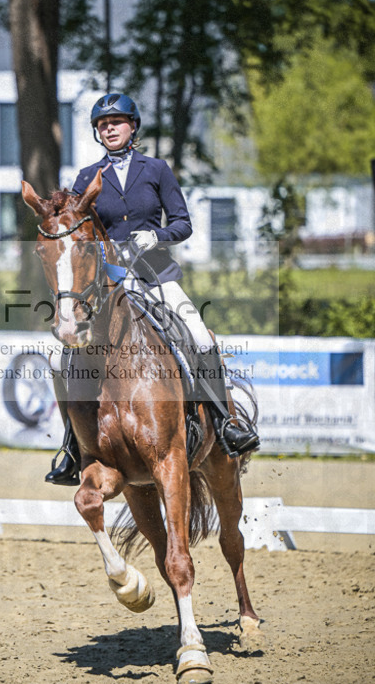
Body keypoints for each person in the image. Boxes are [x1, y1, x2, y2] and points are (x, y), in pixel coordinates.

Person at [46, 92, 260, 484]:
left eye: (116, 122)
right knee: (62, 359)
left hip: (158, 278)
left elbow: (183, 223)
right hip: (109, 283)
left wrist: (155, 237)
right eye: (102, 125)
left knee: (200, 337)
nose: (109, 128)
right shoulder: (86, 179)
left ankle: (225, 423)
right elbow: (77, 233)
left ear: (133, 126)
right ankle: (72, 448)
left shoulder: (156, 169)